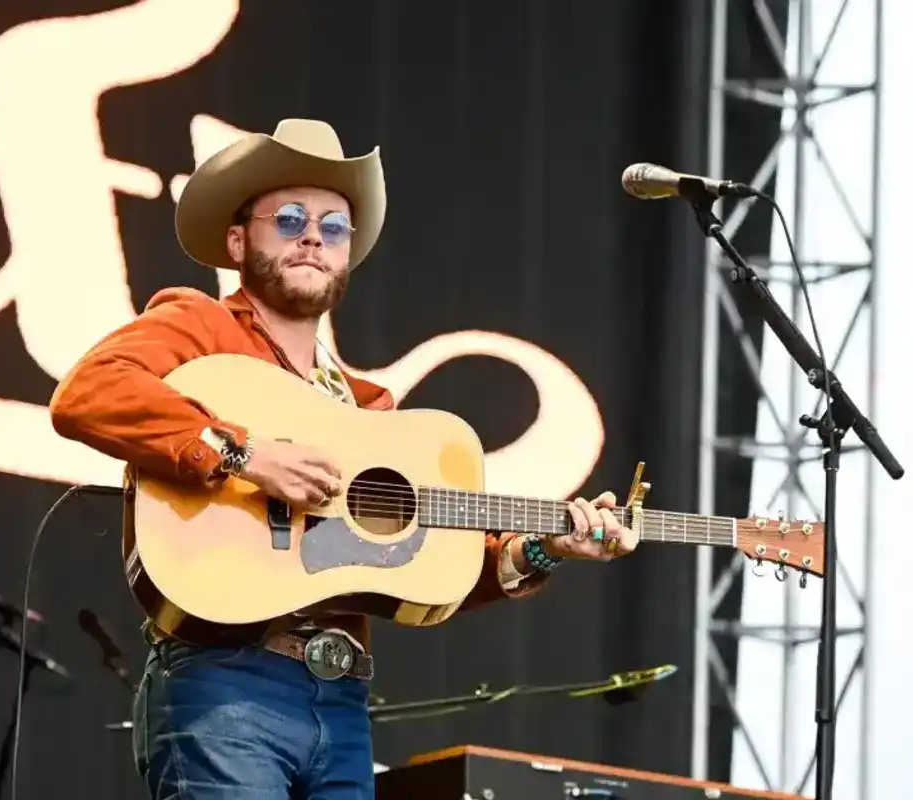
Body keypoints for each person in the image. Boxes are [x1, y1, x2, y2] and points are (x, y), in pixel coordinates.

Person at [48, 119, 638, 800]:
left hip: (342, 702)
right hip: (225, 679)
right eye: (290, 218)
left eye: (334, 228)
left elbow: (429, 563)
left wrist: (542, 547)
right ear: (239, 241)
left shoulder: (369, 410)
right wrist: (244, 454)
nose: (312, 237)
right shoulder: (200, 327)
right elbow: (89, 394)